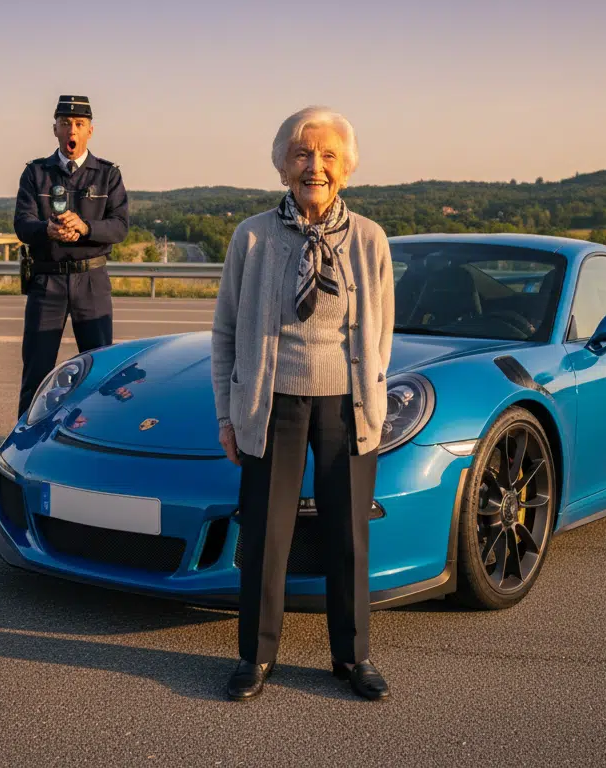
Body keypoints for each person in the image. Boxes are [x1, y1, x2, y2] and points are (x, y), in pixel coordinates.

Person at [211, 106, 395, 702]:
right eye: (301, 154)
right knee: (266, 536)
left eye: (327, 155)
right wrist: (226, 413)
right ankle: (256, 657)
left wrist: (372, 401)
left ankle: (353, 656)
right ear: (283, 165)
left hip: (346, 404)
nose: (314, 166)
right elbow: (226, 332)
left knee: (348, 536)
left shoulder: (369, 239)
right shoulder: (254, 236)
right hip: (273, 403)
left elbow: (383, 334)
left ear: (346, 168)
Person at [14, 95, 130, 417]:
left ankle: (98, 445)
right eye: (65, 124)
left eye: (79, 124)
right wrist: (46, 230)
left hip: (91, 281)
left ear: (90, 130)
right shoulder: (36, 173)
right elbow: (22, 224)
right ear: (55, 129)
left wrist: (86, 226)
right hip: (46, 281)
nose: (71, 130)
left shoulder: (107, 175)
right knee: (36, 374)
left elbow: (120, 228)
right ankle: (23, 449)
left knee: (100, 374)